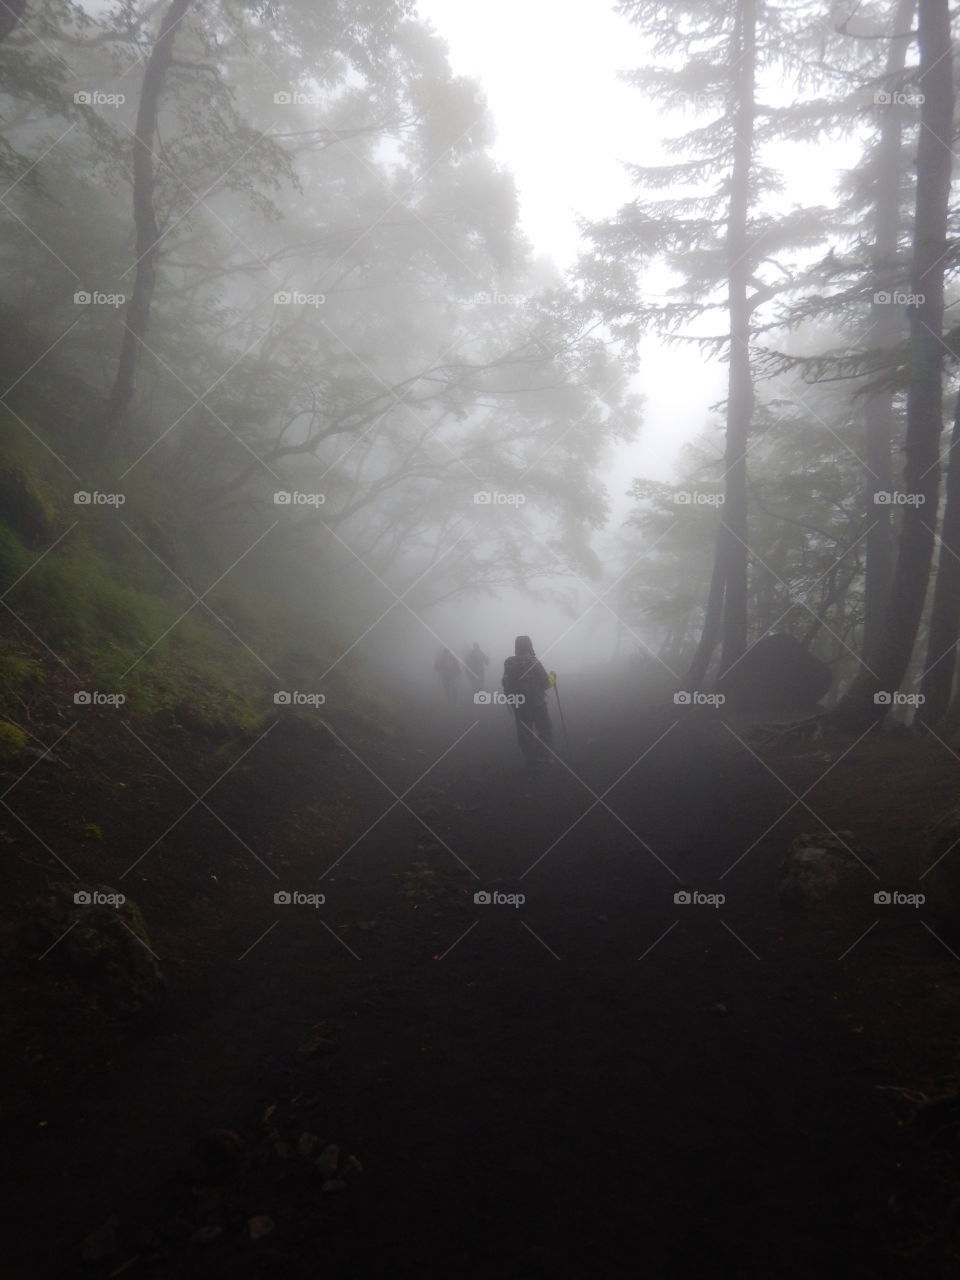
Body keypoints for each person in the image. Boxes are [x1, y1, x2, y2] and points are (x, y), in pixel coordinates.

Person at [502, 635, 555, 764]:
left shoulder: (509, 662)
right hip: (537, 703)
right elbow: (546, 683)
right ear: (529, 645)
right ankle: (541, 755)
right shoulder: (533, 661)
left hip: (518, 703)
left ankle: (530, 758)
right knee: (545, 729)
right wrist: (553, 677)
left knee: (524, 733)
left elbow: (505, 682)